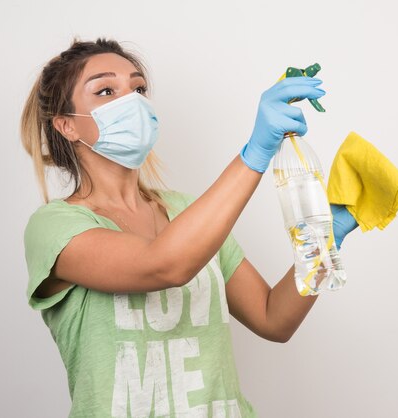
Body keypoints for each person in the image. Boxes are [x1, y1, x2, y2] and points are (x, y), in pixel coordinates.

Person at [21, 38, 358, 418]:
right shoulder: (54, 227)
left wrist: (323, 241)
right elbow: (165, 265)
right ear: (66, 125)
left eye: (139, 88)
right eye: (105, 90)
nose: (132, 101)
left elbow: (272, 318)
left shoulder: (186, 212)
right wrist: (255, 152)